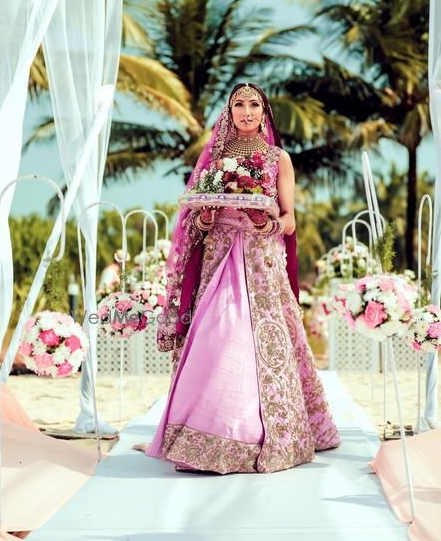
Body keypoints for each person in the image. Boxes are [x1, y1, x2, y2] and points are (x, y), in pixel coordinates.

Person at [143, 82, 340, 474]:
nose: (246, 111)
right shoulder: (213, 158)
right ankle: (201, 432)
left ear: (264, 111)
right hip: (219, 259)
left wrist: (265, 223)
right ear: (228, 112)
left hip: (261, 262)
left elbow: (289, 219)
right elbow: (195, 216)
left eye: (254, 104)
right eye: (239, 105)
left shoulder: (277, 158)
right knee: (217, 335)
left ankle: (256, 434)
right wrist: (206, 216)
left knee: (259, 339)